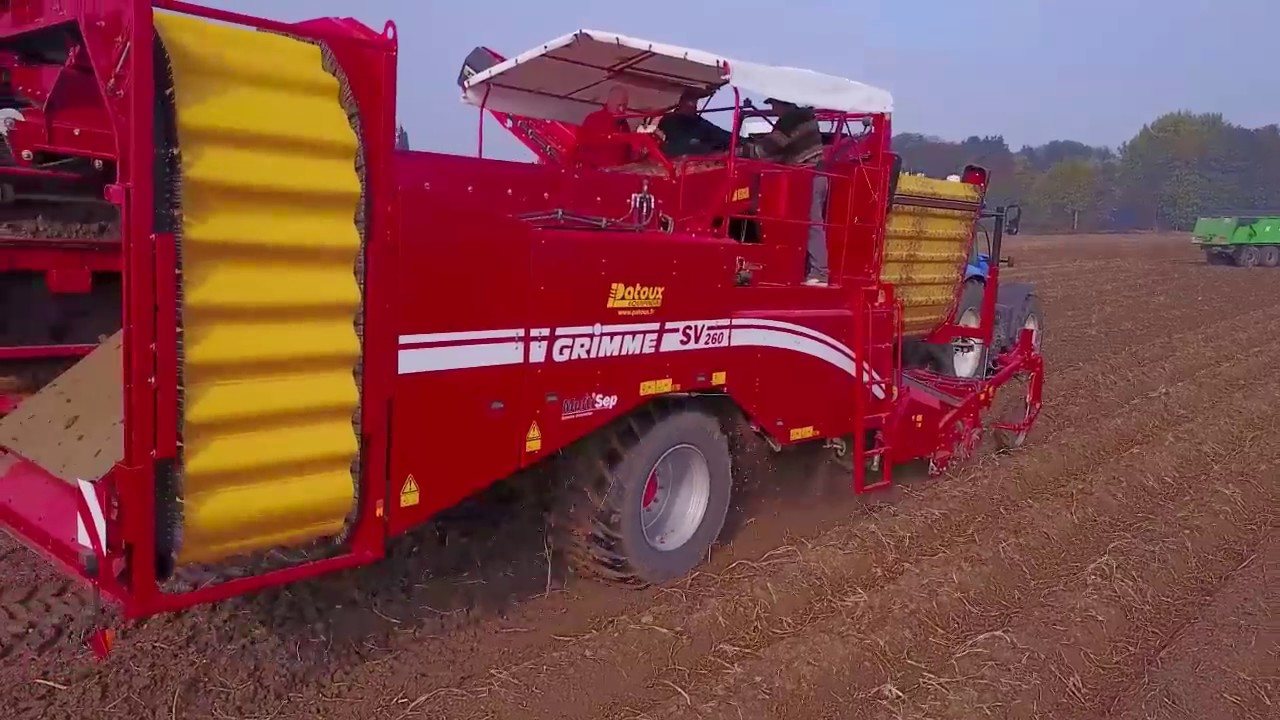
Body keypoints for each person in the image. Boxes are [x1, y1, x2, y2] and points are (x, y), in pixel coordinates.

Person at [748, 98, 828, 285]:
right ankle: (809, 270)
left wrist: (736, 150)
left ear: (782, 104)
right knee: (809, 223)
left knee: (812, 222)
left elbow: (765, 150)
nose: (773, 109)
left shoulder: (790, 121)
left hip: (808, 176)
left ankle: (820, 273)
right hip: (815, 173)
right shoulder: (806, 117)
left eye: (774, 105)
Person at [655, 88, 733, 157]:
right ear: (681, 103)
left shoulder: (700, 123)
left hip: (698, 153)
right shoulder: (669, 120)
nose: (693, 107)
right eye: (690, 103)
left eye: (694, 104)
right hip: (681, 155)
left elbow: (720, 134)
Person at [577, 86, 635, 166]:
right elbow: (582, 148)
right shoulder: (594, 119)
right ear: (610, 102)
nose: (622, 109)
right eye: (619, 105)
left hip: (616, 174)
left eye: (625, 106)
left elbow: (628, 152)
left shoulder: (624, 125)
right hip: (595, 173)